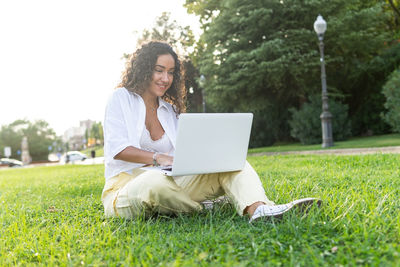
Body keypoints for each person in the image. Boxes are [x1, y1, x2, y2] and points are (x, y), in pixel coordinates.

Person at [102, 41, 321, 222]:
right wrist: (159, 157)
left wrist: (204, 157)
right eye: (159, 71)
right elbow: (118, 149)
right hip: (125, 189)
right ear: (144, 69)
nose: (165, 79)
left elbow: (184, 152)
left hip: (170, 182)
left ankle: (259, 209)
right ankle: (207, 209)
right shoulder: (121, 98)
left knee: (232, 161)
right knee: (153, 183)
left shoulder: (169, 110)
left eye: (170, 73)